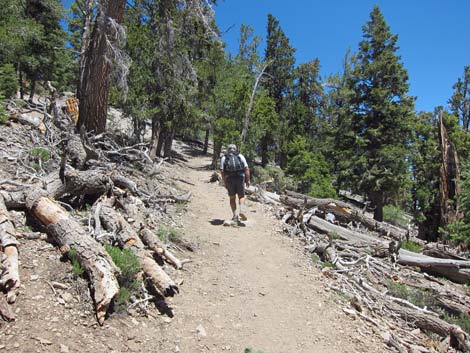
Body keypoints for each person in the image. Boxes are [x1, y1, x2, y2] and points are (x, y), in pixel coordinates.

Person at [220, 144, 250, 222]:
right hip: (240, 178)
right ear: (235, 149)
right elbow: (246, 169)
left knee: (232, 197)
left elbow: (222, 171)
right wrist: (248, 180)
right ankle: (242, 210)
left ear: (228, 149)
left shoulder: (224, 157)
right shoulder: (240, 156)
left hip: (230, 178)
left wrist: (224, 182)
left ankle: (235, 215)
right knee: (241, 196)